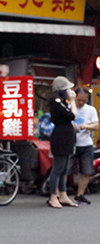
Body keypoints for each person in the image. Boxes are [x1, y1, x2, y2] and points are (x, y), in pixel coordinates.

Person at [48, 76, 79, 208]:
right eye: (68, 89)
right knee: (58, 168)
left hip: (66, 136)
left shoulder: (62, 102)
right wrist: (72, 101)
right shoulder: (55, 102)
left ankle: (63, 195)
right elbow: (73, 116)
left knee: (65, 168)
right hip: (60, 137)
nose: (70, 91)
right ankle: (53, 196)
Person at [71, 87, 98, 205]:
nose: (81, 103)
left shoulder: (91, 110)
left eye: (84, 101)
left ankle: (80, 194)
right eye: (79, 100)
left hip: (86, 144)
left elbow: (96, 125)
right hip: (71, 144)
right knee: (65, 170)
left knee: (86, 171)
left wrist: (86, 126)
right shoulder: (69, 108)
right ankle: (61, 195)